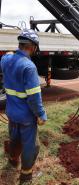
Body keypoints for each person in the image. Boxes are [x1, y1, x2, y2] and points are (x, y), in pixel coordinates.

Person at [0, 29, 47, 184]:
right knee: (31, 146)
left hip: (11, 113)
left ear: (20, 44)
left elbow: (6, 55)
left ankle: (13, 161)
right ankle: (26, 176)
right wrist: (41, 115)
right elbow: (34, 98)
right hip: (26, 117)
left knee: (14, 139)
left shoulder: (7, 60)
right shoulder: (29, 67)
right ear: (33, 47)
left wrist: (9, 53)